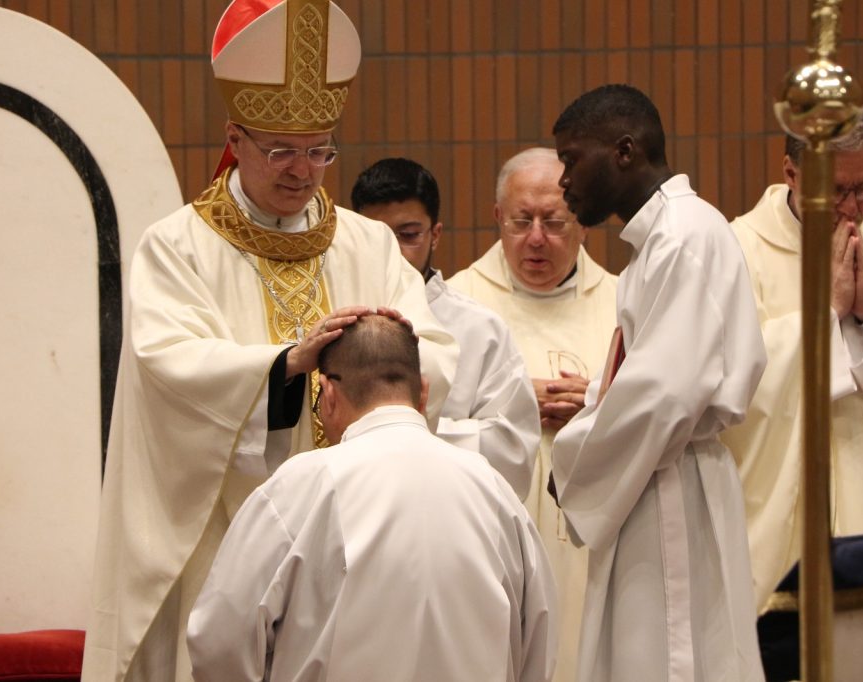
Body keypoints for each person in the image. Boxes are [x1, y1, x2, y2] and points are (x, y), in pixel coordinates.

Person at [80, 2, 456, 680]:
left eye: (319, 150)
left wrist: (380, 355)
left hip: (355, 532)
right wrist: (287, 363)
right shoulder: (178, 247)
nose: (302, 170)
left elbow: (431, 350)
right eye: (280, 150)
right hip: (222, 538)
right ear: (236, 137)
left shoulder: (367, 243)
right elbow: (169, 370)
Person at [186, 314, 558, 682]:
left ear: (327, 393)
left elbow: (218, 641)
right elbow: (538, 638)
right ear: (424, 392)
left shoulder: (297, 488)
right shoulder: (495, 492)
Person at [550, 84, 767, 682]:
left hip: (669, 482)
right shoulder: (655, 246)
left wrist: (569, 464)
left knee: (669, 659)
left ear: (624, 150)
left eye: (571, 159)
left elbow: (664, 394)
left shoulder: (684, 236)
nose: (563, 180)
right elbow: (641, 380)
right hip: (655, 475)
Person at [447, 147, 617, 682]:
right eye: (522, 222)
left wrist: (601, 403)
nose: (537, 239)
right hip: (490, 538)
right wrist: (512, 407)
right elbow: (423, 427)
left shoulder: (624, 302)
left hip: (592, 543)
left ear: (583, 223)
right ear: (498, 217)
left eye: (555, 222)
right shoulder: (453, 306)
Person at [722, 112, 863, 612]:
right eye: (836, 190)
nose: (853, 208)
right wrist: (824, 316)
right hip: (778, 510)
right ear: (791, 173)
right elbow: (729, 384)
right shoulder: (736, 250)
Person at [350, 157, 540, 498]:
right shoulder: (337, 318)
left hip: (449, 510)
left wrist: (393, 436)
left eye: (408, 235)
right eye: (375, 236)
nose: (392, 252)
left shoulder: (481, 330)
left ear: (435, 235)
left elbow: (512, 452)